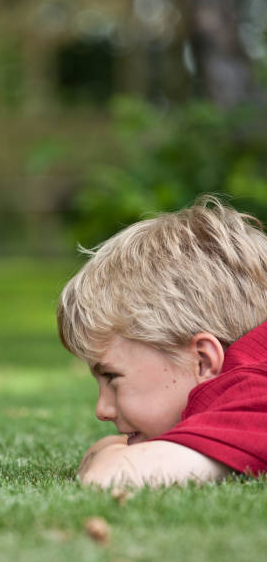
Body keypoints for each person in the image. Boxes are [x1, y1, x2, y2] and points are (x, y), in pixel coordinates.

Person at [57, 195, 267, 489]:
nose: (102, 410)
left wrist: (108, 452)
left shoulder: (257, 393)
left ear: (203, 362)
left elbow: (113, 474)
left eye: (113, 377)